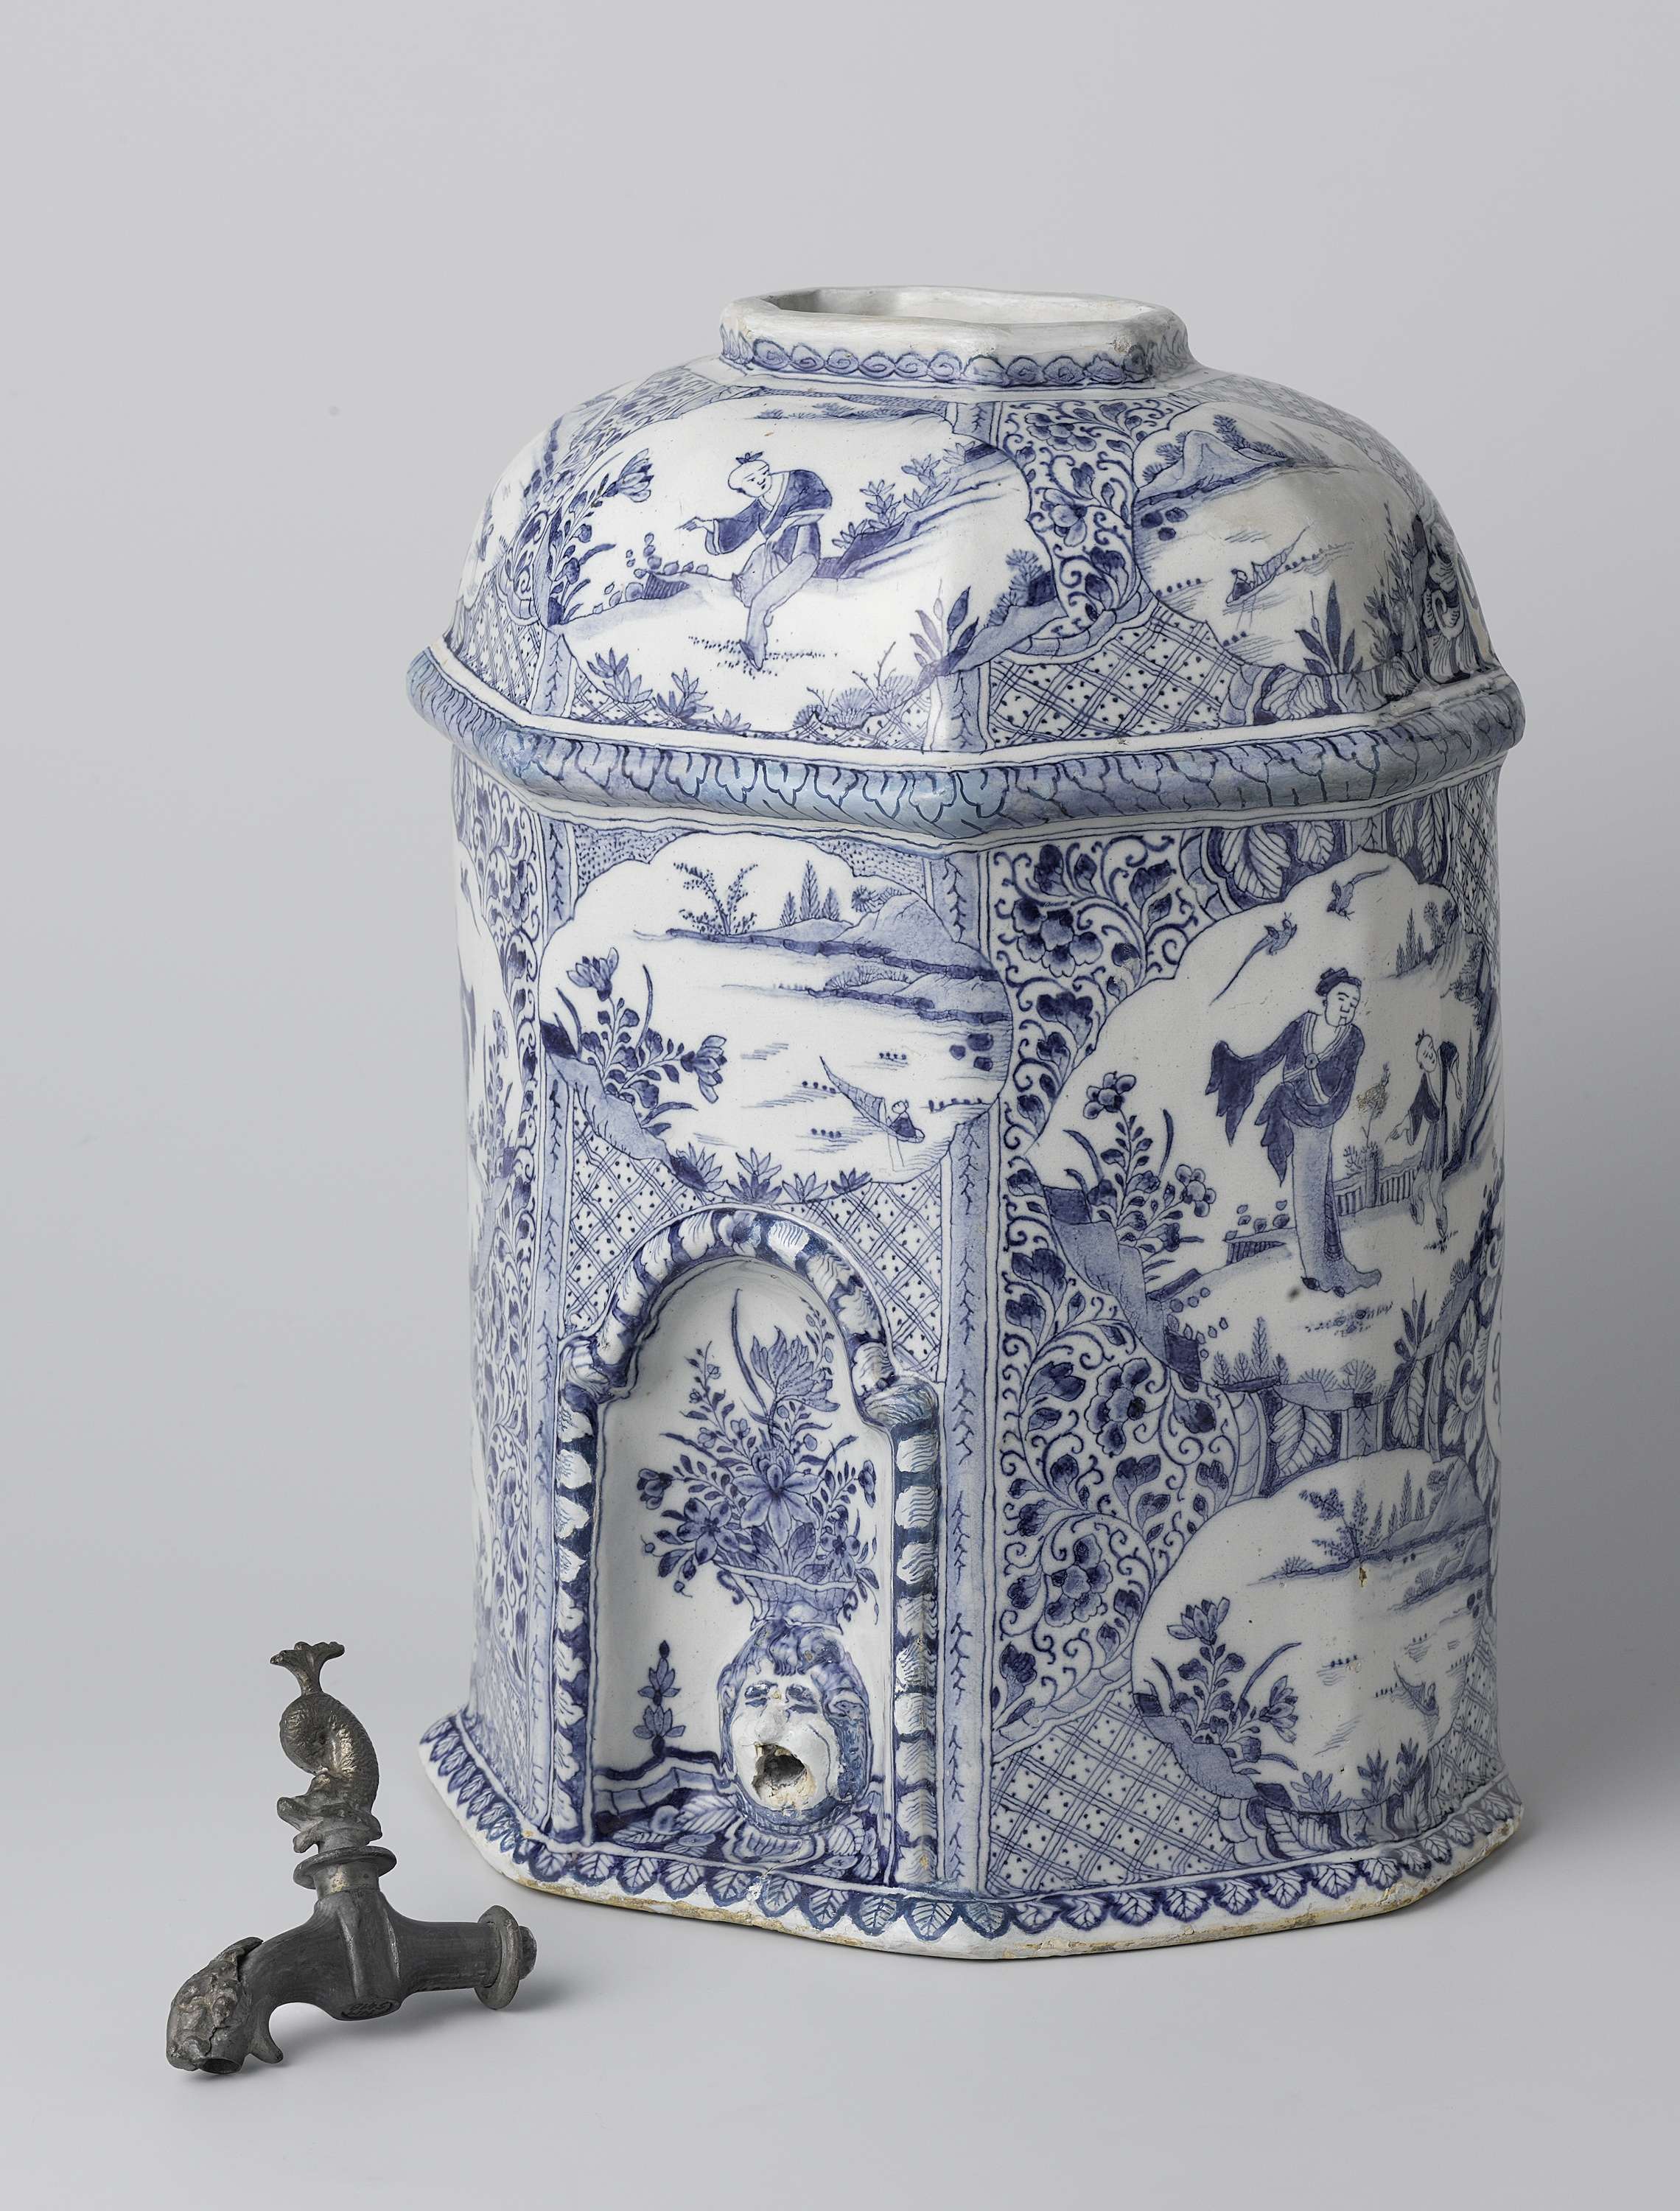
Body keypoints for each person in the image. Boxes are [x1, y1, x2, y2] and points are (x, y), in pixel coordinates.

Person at [1208, 967, 1382, 1296]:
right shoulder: (1302, 1026)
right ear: (1326, 996)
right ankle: (1318, 1270)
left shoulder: (1353, 1039)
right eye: (1342, 998)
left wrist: (1326, 1117)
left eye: (1354, 1003)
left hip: (1323, 1121)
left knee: (1319, 1190)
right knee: (1310, 1190)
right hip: (1289, 1112)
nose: (1347, 1007)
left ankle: (1331, 1267)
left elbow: (1345, 1090)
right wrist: (1237, 1067)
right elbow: (1268, 1059)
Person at [683, 452, 832, 668]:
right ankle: (757, 645)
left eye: (760, 475)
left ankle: (755, 649)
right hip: (777, 556)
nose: (759, 481)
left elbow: (820, 504)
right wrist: (708, 526)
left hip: (804, 553)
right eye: (751, 482)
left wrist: (784, 526)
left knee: (760, 604)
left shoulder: (799, 479)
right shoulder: (761, 504)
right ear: (745, 491)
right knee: (758, 573)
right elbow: (738, 526)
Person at [1390, 1028, 1462, 1246]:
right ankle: (1416, 1202)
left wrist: (1457, 1081)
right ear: (1421, 1064)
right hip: (1433, 1132)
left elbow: (1453, 1053)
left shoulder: (1442, 1056)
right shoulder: (1425, 1084)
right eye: (1425, 1054)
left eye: (1430, 1048)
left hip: (1441, 1128)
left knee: (1433, 1182)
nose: (1430, 1053)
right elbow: (1415, 1109)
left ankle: (1441, 1213)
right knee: (1422, 1177)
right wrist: (1402, 1127)